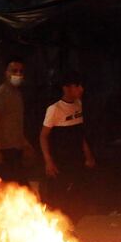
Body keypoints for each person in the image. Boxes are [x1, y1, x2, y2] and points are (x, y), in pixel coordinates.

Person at [39, 71, 96, 223]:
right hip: (60, 160)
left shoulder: (78, 104)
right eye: (77, 86)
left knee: (76, 194)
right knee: (58, 197)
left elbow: (79, 134)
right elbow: (43, 136)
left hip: (76, 158)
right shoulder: (55, 109)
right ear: (67, 88)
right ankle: (57, 226)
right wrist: (48, 161)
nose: (81, 89)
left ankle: (71, 226)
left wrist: (88, 154)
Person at [0, 57, 36, 187]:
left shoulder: (17, 94)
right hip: (5, 150)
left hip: (17, 149)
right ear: (6, 72)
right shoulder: (0, 94)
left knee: (19, 189)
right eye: (14, 71)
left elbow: (16, 124)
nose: (18, 74)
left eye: (21, 71)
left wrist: (25, 143)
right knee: (7, 189)